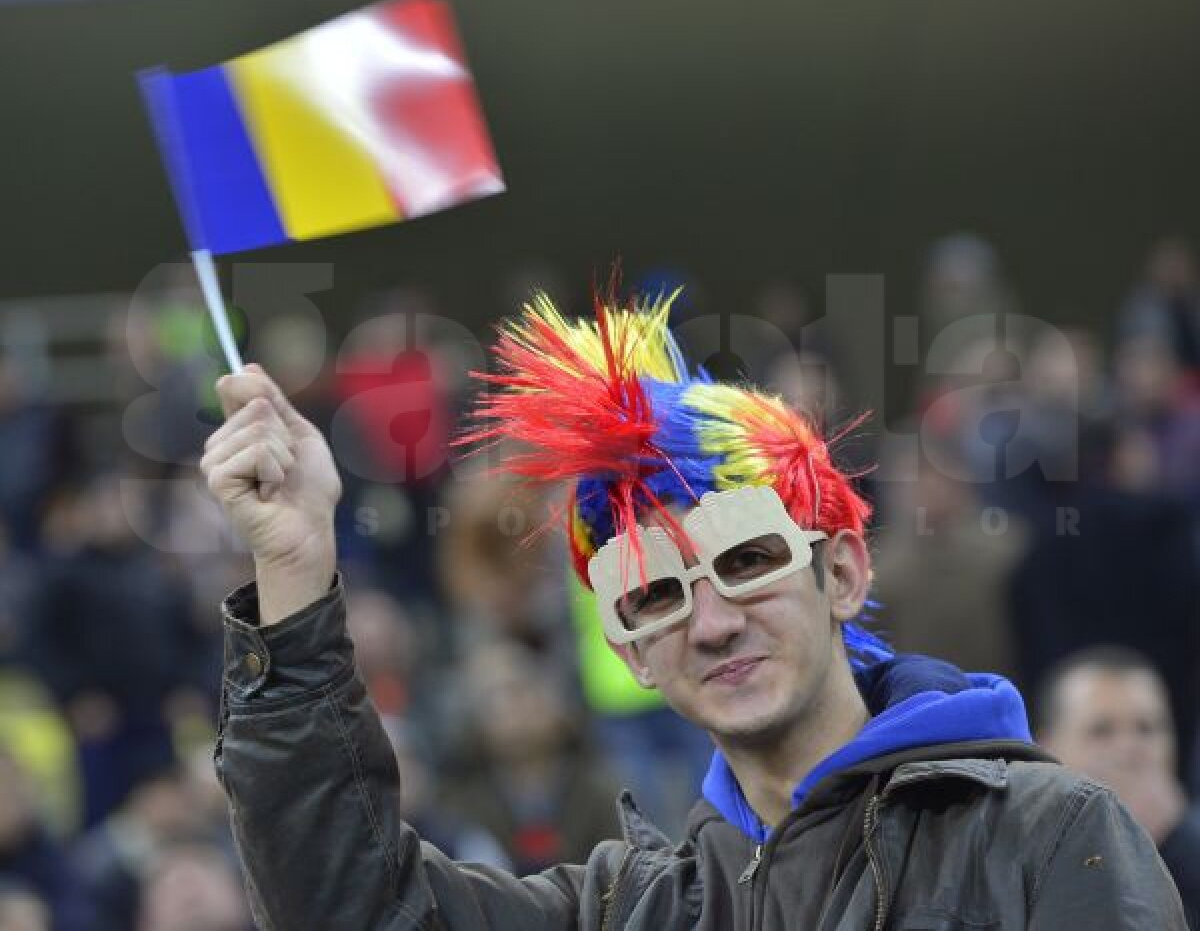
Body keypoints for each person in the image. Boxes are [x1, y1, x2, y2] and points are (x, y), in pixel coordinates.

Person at [201, 293, 1187, 929]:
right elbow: (354, 907)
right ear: (630, 651)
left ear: (839, 573)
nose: (711, 622)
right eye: (656, 595)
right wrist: (294, 568)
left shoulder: (1046, 834)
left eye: (748, 561)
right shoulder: (637, 909)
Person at [1036, 646, 1200, 928]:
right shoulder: (1020, 852)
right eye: (1102, 730)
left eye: (1146, 728)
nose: (1129, 748)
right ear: (1047, 748)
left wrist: (1179, 838)